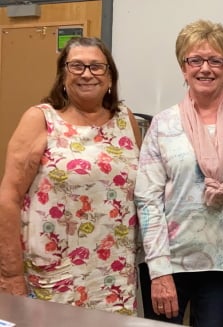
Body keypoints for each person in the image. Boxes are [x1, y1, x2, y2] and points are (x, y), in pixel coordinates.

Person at [0, 37, 141, 315]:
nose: (87, 74)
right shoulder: (40, 119)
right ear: (62, 76)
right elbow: (9, 199)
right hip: (55, 277)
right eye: (76, 66)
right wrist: (10, 273)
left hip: (115, 276)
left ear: (110, 76)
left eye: (97, 66)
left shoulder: (126, 119)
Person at [134, 19, 223, 326]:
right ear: (183, 67)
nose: (206, 68)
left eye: (216, 60)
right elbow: (147, 199)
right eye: (195, 60)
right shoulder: (164, 124)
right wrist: (159, 270)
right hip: (169, 259)